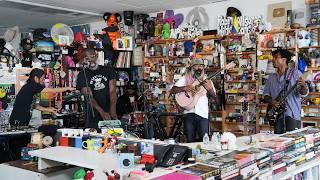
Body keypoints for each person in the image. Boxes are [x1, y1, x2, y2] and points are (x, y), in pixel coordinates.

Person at [170, 58, 216, 142]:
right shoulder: (185, 78)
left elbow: (215, 97)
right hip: (189, 114)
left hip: (203, 114)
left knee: (204, 140)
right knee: (190, 140)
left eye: (201, 66)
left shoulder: (207, 80)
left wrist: (210, 89)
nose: (199, 68)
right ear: (192, 67)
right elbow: (173, 90)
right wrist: (184, 87)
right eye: (196, 66)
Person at [9, 68, 75, 126]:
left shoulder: (30, 87)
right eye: (42, 78)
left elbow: (34, 106)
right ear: (35, 78)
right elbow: (52, 90)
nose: (43, 81)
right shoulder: (32, 85)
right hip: (18, 120)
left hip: (22, 120)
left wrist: (48, 109)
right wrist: (68, 88)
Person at [264, 49, 309, 134]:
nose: (273, 60)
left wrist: (304, 86)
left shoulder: (296, 74)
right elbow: (265, 95)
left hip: (292, 115)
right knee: (279, 142)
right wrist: (272, 101)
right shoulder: (271, 78)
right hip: (277, 115)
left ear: (284, 60)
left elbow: (304, 93)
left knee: (293, 142)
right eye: (273, 57)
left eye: (276, 57)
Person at [76, 48, 117, 129]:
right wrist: (101, 112)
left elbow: (112, 91)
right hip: (93, 113)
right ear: (84, 59)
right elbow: (88, 96)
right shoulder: (82, 74)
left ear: (97, 56)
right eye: (88, 58)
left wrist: (112, 110)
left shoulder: (109, 70)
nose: (91, 59)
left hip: (109, 109)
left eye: (93, 56)